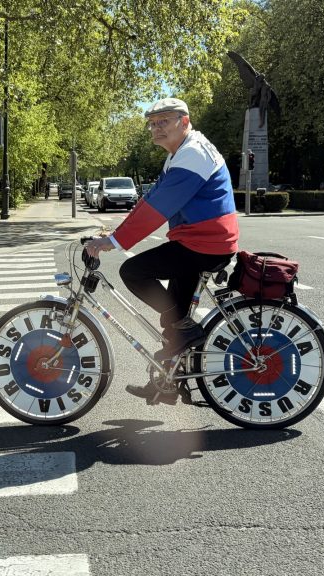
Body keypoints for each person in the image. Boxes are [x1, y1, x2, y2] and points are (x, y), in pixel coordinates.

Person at [83, 97, 239, 401]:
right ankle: (168, 383)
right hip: (199, 240)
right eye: (152, 123)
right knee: (175, 318)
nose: (156, 128)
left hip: (205, 243)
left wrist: (113, 242)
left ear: (184, 121)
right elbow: (151, 198)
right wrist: (113, 232)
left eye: (163, 121)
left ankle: (184, 330)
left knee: (133, 271)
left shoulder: (192, 154)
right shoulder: (181, 152)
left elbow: (158, 208)